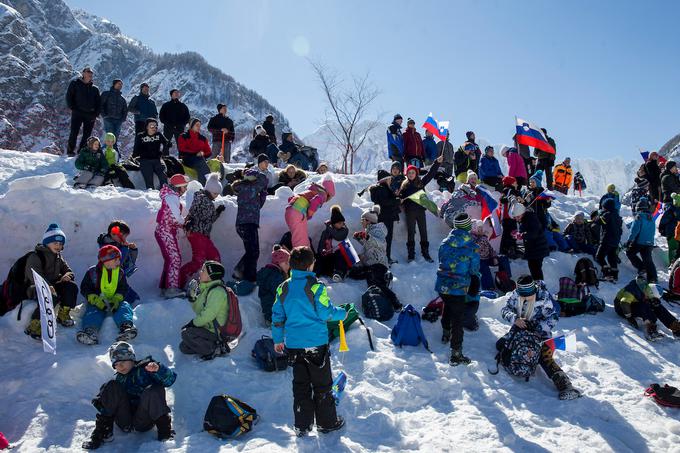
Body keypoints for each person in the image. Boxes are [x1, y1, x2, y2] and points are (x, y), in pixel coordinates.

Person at [271, 246, 347, 437]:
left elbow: (277, 316)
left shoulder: (283, 287)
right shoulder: (316, 286)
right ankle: (327, 423)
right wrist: (342, 313)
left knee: (301, 386)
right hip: (316, 345)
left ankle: (302, 425)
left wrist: (278, 338)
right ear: (310, 265)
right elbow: (325, 312)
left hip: (294, 346)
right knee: (322, 386)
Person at [499, 275, 582, 400]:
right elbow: (505, 309)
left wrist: (537, 327)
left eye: (528, 294)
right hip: (519, 332)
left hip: (541, 335)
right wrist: (515, 319)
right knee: (501, 345)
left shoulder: (544, 297)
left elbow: (553, 318)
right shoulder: (516, 294)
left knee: (544, 357)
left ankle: (566, 386)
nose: (525, 297)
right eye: (523, 294)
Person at [81, 342, 176, 449]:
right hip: (124, 420)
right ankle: (103, 432)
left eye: (123, 361)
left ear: (132, 359)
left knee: (154, 389)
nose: (120, 366)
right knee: (111, 385)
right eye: (116, 364)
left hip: (145, 419)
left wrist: (158, 370)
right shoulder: (119, 379)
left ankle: (165, 432)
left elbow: (170, 380)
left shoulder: (146, 369)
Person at [436, 213, 480, 366]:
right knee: (458, 319)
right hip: (459, 287)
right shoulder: (472, 247)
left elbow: (441, 260)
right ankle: (456, 354)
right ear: (467, 226)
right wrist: (474, 282)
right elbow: (474, 269)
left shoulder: (444, 243)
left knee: (448, 305)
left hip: (442, 285)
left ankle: (445, 332)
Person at [22, 224, 78, 339]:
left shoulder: (58, 257)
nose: (58, 246)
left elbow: (68, 270)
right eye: (55, 243)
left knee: (71, 287)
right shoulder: (35, 256)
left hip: (52, 285)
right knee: (49, 295)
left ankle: (63, 314)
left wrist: (67, 276)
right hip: (35, 287)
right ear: (46, 242)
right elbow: (35, 275)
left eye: (61, 244)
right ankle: (35, 324)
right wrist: (47, 286)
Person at [76, 245, 137, 345]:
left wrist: (117, 299)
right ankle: (91, 331)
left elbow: (123, 287)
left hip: (114, 300)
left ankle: (126, 327)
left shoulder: (120, 273)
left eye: (119, 260)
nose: (119, 262)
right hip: (98, 301)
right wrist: (94, 298)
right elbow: (85, 287)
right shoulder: (93, 272)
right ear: (106, 261)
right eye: (116, 260)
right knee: (93, 311)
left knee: (124, 306)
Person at [348, 206, 403, 311]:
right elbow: (370, 246)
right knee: (354, 273)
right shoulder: (369, 231)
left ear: (368, 221)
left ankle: (396, 302)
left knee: (377, 284)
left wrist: (368, 237)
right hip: (370, 265)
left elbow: (380, 244)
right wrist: (361, 239)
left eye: (362, 220)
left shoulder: (378, 230)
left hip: (379, 264)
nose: (361, 222)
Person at [180, 173, 224, 288]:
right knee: (198, 261)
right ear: (209, 190)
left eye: (218, 194)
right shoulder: (201, 198)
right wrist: (190, 221)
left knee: (215, 257)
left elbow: (208, 219)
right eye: (215, 193)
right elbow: (195, 212)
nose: (216, 196)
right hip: (196, 233)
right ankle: (179, 279)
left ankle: (213, 281)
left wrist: (217, 212)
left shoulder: (208, 201)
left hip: (203, 235)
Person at [180, 261, 232, 359]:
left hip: (216, 331)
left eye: (203, 270)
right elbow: (199, 310)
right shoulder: (208, 289)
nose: (200, 272)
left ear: (210, 276)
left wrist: (193, 323)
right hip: (208, 328)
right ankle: (211, 345)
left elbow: (208, 315)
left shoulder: (217, 292)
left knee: (186, 333)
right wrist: (192, 297)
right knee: (183, 347)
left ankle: (216, 348)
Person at [232, 155, 269, 284]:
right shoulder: (249, 187)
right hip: (247, 224)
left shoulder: (248, 190)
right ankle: (249, 277)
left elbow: (258, 205)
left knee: (252, 251)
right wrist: (259, 173)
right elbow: (264, 180)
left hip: (245, 224)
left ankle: (240, 271)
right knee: (253, 251)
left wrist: (263, 194)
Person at [398, 156, 442, 262]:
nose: (411, 174)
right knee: (411, 232)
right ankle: (411, 254)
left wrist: (437, 162)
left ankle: (425, 253)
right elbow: (399, 198)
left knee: (423, 232)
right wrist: (399, 199)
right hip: (410, 213)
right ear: (407, 174)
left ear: (416, 174)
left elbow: (430, 174)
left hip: (420, 212)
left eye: (413, 173)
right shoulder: (404, 186)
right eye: (409, 173)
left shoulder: (420, 183)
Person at [156, 174, 190, 299]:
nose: (185, 189)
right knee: (175, 258)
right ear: (179, 187)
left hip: (165, 230)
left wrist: (182, 222)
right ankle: (171, 288)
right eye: (184, 187)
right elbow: (176, 217)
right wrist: (184, 222)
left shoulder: (170, 196)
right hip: (166, 231)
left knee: (171, 259)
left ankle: (166, 286)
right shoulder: (171, 197)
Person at [615, 276, 680, 340]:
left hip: (634, 304)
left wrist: (653, 300)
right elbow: (624, 303)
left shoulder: (645, 288)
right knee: (644, 305)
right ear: (649, 293)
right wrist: (629, 317)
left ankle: (676, 327)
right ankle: (650, 329)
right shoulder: (632, 290)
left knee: (657, 306)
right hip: (622, 308)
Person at [285, 179, 336, 248]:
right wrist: (309, 214)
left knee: (297, 236)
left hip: (289, 210)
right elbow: (314, 202)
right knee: (301, 240)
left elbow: (292, 198)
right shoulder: (323, 194)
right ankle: (302, 256)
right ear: (329, 194)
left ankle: (299, 253)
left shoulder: (313, 190)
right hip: (298, 212)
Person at [97, 220, 139, 302]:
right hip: (111, 275)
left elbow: (130, 260)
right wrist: (124, 248)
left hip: (119, 275)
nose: (124, 239)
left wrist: (133, 250)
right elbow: (119, 261)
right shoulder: (107, 247)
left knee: (127, 293)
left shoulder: (118, 244)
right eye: (123, 236)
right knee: (122, 294)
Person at [371, 163, 403, 264]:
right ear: (384, 179)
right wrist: (397, 201)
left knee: (383, 239)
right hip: (387, 217)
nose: (390, 180)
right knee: (387, 239)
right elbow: (386, 202)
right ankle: (386, 258)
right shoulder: (383, 189)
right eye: (388, 178)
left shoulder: (379, 188)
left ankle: (384, 258)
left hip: (382, 217)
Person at [66, 67, 101, 156]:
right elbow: (69, 96)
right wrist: (73, 108)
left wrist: (95, 114)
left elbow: (98, 103)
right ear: (83, 73)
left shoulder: (95, 89)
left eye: (91, 73)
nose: (90, 74)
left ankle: (81, 151)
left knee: (87, 135)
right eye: (88, 72)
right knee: (74, 132)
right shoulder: (75, 84)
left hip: (90, 115)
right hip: (77, 112)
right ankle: (70, 151)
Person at [512, 203, 549, 281]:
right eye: (515, 217)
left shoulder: (531, 218)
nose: (517, 219)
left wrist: (522, 235)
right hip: (533, 249)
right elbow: (525, 229)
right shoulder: (524, 219)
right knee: (533, 268)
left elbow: (534, 233)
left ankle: (540, 286)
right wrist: (518, 232)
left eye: (518, 217)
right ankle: (538, 285)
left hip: (538, 248)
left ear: (523, 213)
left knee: (536, 269)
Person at [625, 198, 657, 283]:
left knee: (630, 253)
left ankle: (641, 268)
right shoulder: (651, 218)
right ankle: (653, 278)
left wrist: (629, 241)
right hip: (649, 243)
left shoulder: (638, 217)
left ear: (638, 208)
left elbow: (634, 231)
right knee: (648, 260)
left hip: (639, 242)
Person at [257, 245, 290, 326]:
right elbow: (283, 296)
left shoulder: (267, 273)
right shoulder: (276, 277)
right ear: (279, 263)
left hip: (269, 312)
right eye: (286, 263)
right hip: (275, 315)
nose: (288, 266)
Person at [314, 205, 349, 280]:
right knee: (319, 257)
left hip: (340, 259)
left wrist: (329, 228)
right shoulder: (326, 232)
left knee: (339, 254)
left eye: (342, 223)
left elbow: (338, 236)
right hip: (329, 257)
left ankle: (339, 273)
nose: (341, 225)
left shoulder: (344, 230)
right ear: (334, 223)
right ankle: (315, 274)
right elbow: (321, 244)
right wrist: (322, 250)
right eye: (339, 223)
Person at [132, 118, 168, 189]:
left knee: (163, 176)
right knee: (149, 181)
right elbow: (136, 149)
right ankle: (151, 196)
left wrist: (167, 145)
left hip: (157, 159)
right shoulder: (140, 136)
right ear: (147, 127)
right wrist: (135, 155)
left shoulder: (159, 135)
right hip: (145, 160)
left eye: (156, 126)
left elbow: (166, 142)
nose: (154, 128)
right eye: (152, 126)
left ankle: (165, 192)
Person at [595, 197, 623, 282]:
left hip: (606, 240)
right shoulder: (618, 216)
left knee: (599, 257)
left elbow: (599, 222)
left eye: (603, 207)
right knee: (612, 258)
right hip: (615, 241)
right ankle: (614, 276)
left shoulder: (607, 214)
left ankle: (606, 273)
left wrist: (599, 216)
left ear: (606, 207)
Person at [177, 118, 212, 185]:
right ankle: (207, 186)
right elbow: (182, 149)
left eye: (199, 125)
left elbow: (209, 152)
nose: (199, 127)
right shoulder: (183, 136)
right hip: (188, 160)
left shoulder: (203, 138)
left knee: (201, 167)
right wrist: (196, 153)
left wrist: (202, 153)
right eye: (197, 125)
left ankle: (202, 187)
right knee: (203, 166)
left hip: (200, 159)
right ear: (191, 125)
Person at [159, 89, 190, 155]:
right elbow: (161, 117)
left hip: (179, 129)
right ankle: (165, 160)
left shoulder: (183, 106)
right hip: (168, 128)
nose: (176, 94)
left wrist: (182, 125)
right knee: (166, 144)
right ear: (171, 95)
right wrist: (167, 124)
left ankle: (182, 161)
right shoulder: (166, 105)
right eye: (174, 93)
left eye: (177, 93)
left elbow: (187, 118)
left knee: (181, 145)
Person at [100, 79, 128, 149]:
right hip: (108, 119)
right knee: (110, 136)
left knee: (115, 137)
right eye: (119, 84)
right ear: (114, 84)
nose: (120, 85)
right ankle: (105, 151)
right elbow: (100, 105)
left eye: (121, 84)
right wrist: (104, 115)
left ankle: (113, 152)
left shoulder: (122, 99)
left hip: (118, 120)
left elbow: (125, 110)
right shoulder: (106, 94)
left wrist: (122, 119)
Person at [500, 176, 523, 258]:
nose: (517, 184)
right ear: (511, 183)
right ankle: (510, 250)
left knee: (508, 233)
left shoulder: (508, 190)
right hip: (509, 216)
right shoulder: (509, 190)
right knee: (511, 233)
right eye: (515, 182)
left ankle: (507, 249)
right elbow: (503, 199)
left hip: (507, 216)